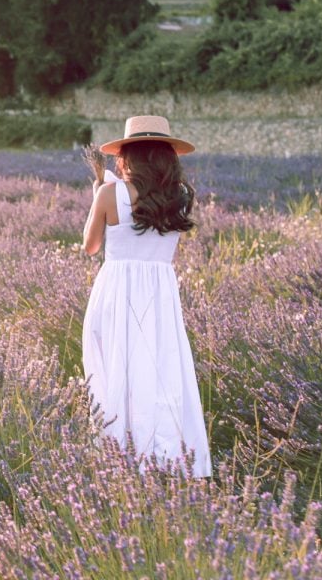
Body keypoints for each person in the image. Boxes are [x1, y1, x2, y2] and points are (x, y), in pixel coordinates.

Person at [80, 115, 212, 479]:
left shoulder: (110, 193)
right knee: (160, 370)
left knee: (115, 369)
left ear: (127, 156)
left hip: (117, 290)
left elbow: (90, 247)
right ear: (168, 157)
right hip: (160, 293)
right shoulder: (180, 197)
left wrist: (97, 198)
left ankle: (121, 456)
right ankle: (168, 456)